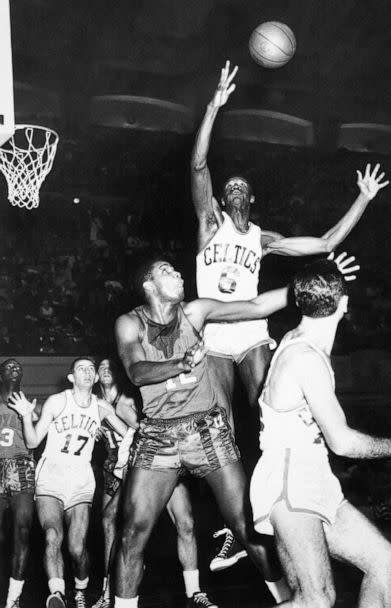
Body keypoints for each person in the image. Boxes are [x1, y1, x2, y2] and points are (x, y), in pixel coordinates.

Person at [191, 60, 389, 570]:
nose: (232, 190)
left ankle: (279, 508)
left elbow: (323, 243)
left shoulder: (264, 238)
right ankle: (234, 524)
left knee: (269, 420)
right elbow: (198, 168)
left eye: (241, 188)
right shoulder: (209, 224)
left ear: (251, 200)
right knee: (219, 432)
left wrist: (362, 200)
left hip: (253, 330)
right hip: (214, 334)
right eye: (226, 187)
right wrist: (214, 108)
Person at [250, 259, 391, 607]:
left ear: (299, 302)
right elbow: (342, 441)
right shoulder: (305, 358)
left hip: (314, 478)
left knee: (385, 564)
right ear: (344, 305)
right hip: (289, 481)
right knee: (316, 599)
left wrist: (322, 271)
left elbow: (308, 291)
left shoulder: (300, 339)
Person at [8, 357, 128, 608]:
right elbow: (32, 442)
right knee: (52, 536)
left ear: (95, 378)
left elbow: (128, 434)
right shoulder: (57, 401)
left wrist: (118, 445)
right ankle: (58, 594)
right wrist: (27, 416)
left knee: (76, 548)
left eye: (91, 369)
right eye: (80, 369)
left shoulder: (102, 407)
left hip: (81, 479)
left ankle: (81, 589)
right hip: (51, 476)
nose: (86, 372)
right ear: (71, 377)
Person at [93, 358, 213, 608]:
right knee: (114, 521)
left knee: (186, 522)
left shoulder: (174, 376)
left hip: (173, 450)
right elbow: (124, 409)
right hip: (144, 454)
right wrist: (155, 430)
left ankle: (195, 593)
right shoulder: (132, 381)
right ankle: (111, 592)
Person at [0, 359, 35, 608]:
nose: (15, 368)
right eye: (9, 365)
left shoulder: (30, 404)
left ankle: (14, 598)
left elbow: (40, 437)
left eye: (18, 367)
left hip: (21, 467)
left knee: (22, 531)